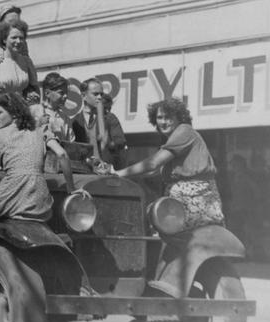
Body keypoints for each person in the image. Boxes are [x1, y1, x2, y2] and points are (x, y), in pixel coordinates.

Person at [115, 98, 225, 230]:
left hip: (193, 201)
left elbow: (152, 164)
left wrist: (117, 173)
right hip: (183, 201)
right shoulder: (174, 140)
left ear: (179, 118)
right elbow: (153, 171)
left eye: (168, 118)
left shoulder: (184, 131)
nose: (163, 122)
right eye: (159, 117)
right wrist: (125, 176)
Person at [0, 92, 85, 223]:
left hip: (9, 198)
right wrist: (71, 188)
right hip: (39, 201)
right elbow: (62, 154)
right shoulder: (41, 130)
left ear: (14, 113)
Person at [72, 78, 127, 169]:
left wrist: (109, 143)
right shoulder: (76, 121)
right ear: (83, 96)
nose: (100, 97)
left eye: (101, 94)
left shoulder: (109, 118)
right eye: (95, 94)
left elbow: (120, 141)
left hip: (107, 170)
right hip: (85, 171)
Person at [0, 20, 37, 97]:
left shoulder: (26, 61)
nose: (18, 41)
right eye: (14, 38)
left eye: (21, 38)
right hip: (1, 106)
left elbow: (34, 86)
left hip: (21, 105)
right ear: (4, 39)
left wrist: (31, 94)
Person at [30, 72, 74, 141]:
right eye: (61, 93)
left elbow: (71, 142)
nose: (65, 96)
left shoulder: (65, 117)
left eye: (66, 93)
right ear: (47, 93)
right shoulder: (36, 111)